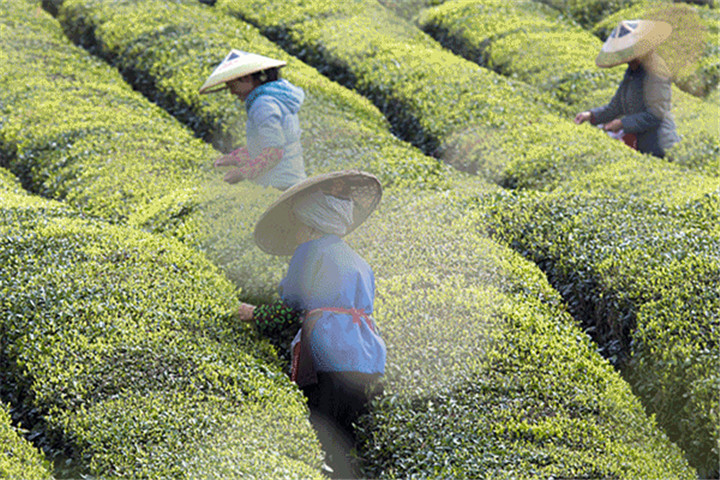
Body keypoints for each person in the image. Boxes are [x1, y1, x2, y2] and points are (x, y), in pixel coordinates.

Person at [237, 170, 386, 478]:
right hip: (368, 357)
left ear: (310, 225)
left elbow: (289, 308)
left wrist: (253, 314)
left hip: (330, 354)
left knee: (323, 440)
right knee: (349, 441)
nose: (295, 236)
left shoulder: (309, 252)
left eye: (297, 227)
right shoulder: (359, 260)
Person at [199, 49, 307, 190]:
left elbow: (274, 152)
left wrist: (242, 173)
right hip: (293, 180)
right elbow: (269, 144)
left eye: (232, 86)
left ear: (246, 78)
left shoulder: (263, 104)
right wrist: (235, 157)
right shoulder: (274, 97)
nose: (232, 92)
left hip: (281, 185)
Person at [574, 20, 680, 158]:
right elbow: (616, 106)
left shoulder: (656, 72)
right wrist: (590, 115)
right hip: (643, 146)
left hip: (661, 146)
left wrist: (622, 123)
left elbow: (656, 114)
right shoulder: (632, 72)